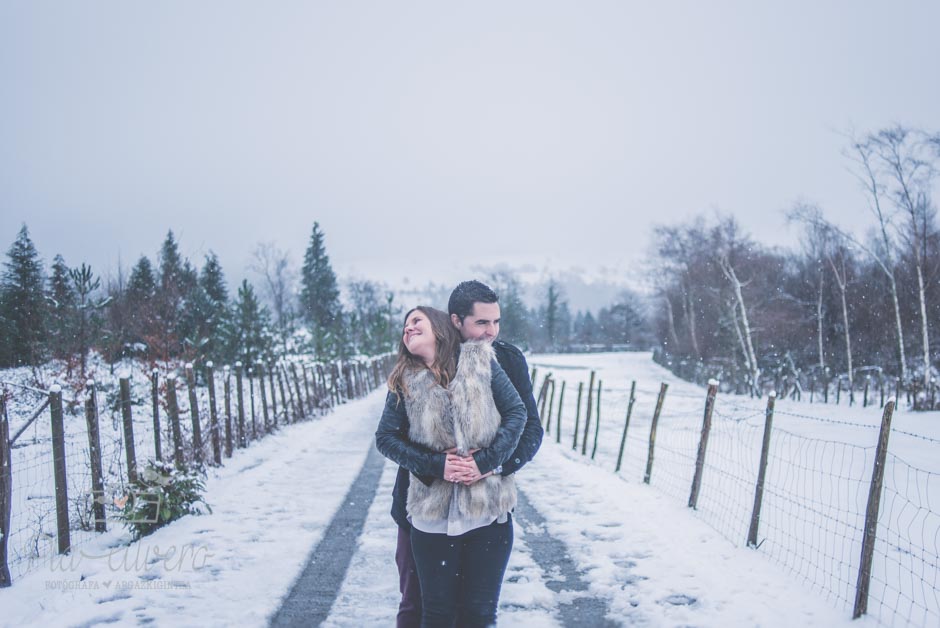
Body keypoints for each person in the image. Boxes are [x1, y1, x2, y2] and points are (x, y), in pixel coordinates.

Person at [378, 281, 543, 626]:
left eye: (496, 322)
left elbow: (529, 427)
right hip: (424, 502)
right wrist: (437, 465)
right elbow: (390, 436)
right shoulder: (410, 371)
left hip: (484, 504)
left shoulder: (506, 360)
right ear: (454, 321)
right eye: (481, 323)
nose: (491, 332)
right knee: (419, 606)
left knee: (476, 612)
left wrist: (490, 466)